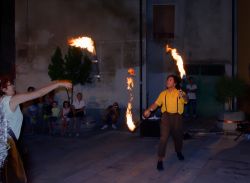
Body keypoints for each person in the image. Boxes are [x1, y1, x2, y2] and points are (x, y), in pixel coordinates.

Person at [0, 76, 72, 183]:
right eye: (10, 84)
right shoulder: (11, 100)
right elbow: (38, 94)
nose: (13, 86)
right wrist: (59, 84)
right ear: (3, 89)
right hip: (8, 145)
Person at [144, 74, 188, 171]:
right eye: (167, 80)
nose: (168, 82)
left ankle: (178, 151)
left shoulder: (179, 92)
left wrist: (183, 95)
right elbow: (156, 104)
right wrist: (149, 110)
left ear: (175, 83)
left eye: (170, 80)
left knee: (178, 137)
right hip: (166, 117)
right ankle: (160, 160)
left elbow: (186, 100)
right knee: (163, 138)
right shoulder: (163, 93)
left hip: (177, 117)